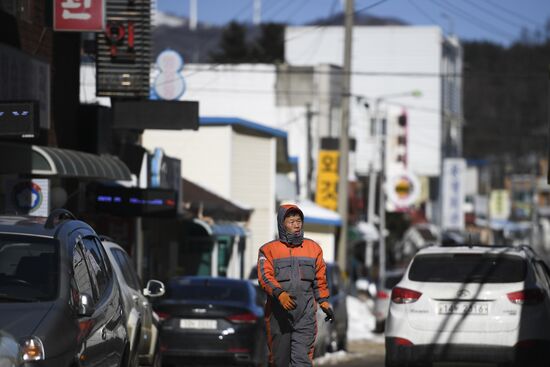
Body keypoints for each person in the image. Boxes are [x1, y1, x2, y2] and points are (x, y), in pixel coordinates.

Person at [257, 204, 334, 367]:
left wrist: (324, 301)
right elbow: (265, 276)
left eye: (298, 221)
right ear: (282, 224)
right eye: (291, 221)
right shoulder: (268, 250)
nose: (296, 225)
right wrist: (279, 293)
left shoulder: (313, 249)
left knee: (302, 361)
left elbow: (320, 278)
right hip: (278, 315)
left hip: (305, 314)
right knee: (279, 361)